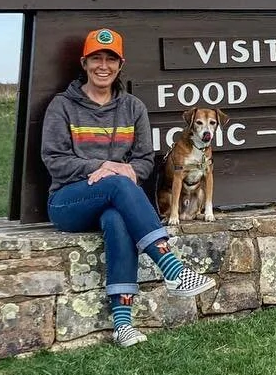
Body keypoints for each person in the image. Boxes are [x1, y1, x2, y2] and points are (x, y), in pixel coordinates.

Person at [41, 27, 214, 348]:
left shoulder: (133, 108)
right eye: (96, 59)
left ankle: (123, 326)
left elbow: (145, 164)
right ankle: (173, 268)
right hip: (69, 202)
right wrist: (100, 167)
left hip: (116, 201)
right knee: (118, 183)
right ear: (84, 63)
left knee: (118, 218)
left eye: (110, 59)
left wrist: (123, 170)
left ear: (121, 65)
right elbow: (54, 160)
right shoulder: (62, 106)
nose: (103, 65)